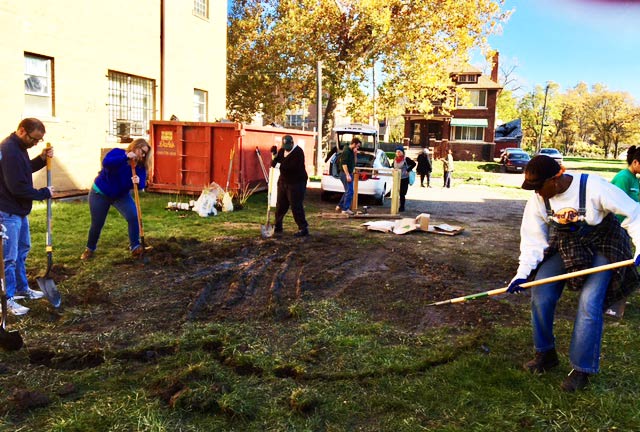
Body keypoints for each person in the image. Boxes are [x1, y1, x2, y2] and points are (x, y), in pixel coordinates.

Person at [506, 155, 640, 392]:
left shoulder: (594, 186)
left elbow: (634, 213)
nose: (537, 193)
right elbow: (532, 241)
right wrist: (522, 274)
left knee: (590, 301)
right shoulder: (538, 200)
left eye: (539, 186)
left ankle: (581, 369)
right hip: (567, 243)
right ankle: (545, 354)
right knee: (541, 291)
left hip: (603, 242)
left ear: (556, 178)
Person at [0, 118, 54, 315]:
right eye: (34, 139)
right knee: (8, 258)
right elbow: (17, 187)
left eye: (39, 141)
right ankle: (8, 299)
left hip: (18, 210)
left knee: (22, 251)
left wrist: (41, 159)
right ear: (22, 131)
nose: (35, 143)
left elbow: (24, 170)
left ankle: (22, 289)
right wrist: (43, 193)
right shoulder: (9, 150)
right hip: (7, 212)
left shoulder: (19, 148)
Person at [81, 138, 151, 260]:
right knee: (97, 224)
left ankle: (135, 246)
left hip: (120, 195)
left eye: (145, 153)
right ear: (135, 147)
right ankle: (90, 249)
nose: (143, 155)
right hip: (100, 193)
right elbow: (107, 163)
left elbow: (141, 183)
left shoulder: (139, 166)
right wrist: (126, 157)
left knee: (133, 216)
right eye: (142, 151)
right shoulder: (117, 153)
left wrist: (139, 182)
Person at [607, 145, 640, 317]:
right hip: (616, 231)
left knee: (627, 266)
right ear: (635, 162)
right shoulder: (623, 178)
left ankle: (619, 298)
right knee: (617, 267)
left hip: (630, 230)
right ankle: (611, 303)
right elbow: (616, 207)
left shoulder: (635, 179)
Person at [270, 135, 309, 237]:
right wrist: (274, 154)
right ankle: (278, 225)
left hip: (296, 182)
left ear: (292, 143)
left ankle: (303, 228)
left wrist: (277, 164)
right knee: (280, 205)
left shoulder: (298, 153)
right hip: (283, 181)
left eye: (288, 145)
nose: (286, 148)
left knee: (296, 205)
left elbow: (290, 167)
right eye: (284, 145)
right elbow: (277, 160)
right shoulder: (282, 150)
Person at [336, 137, 361, 216]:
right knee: (350, 191)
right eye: (357, 146)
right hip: (344, 173)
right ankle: (345, 209)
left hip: (350, 173)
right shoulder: (346, 151)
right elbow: (344, 164)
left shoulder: (351, 152)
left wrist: (355, 154)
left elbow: (355, 162)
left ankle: (339, 206)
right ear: (353, 144)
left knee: (348, 190)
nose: (358, 148)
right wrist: (347, 175)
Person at [393, 146, 416, 212]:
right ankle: (395, 206)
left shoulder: (406, 159)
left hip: (404, 178)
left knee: (402, 193)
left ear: (403, 152)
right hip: (397, 178)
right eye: (397, 152)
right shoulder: (395, 159)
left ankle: (402, 206)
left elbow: (414, 164)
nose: (398, 153)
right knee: (396, 192)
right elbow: (393, 166)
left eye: (399, 152)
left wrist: (408, 170)